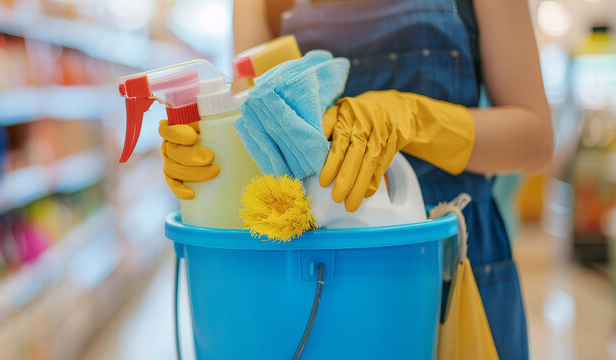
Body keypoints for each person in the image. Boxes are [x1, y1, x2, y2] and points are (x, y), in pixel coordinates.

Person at [162, 0, 552, 358]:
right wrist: (212, 153)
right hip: (314, 273)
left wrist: (415, 117)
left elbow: (535, 141)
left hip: (454, 263)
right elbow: (253, 130)